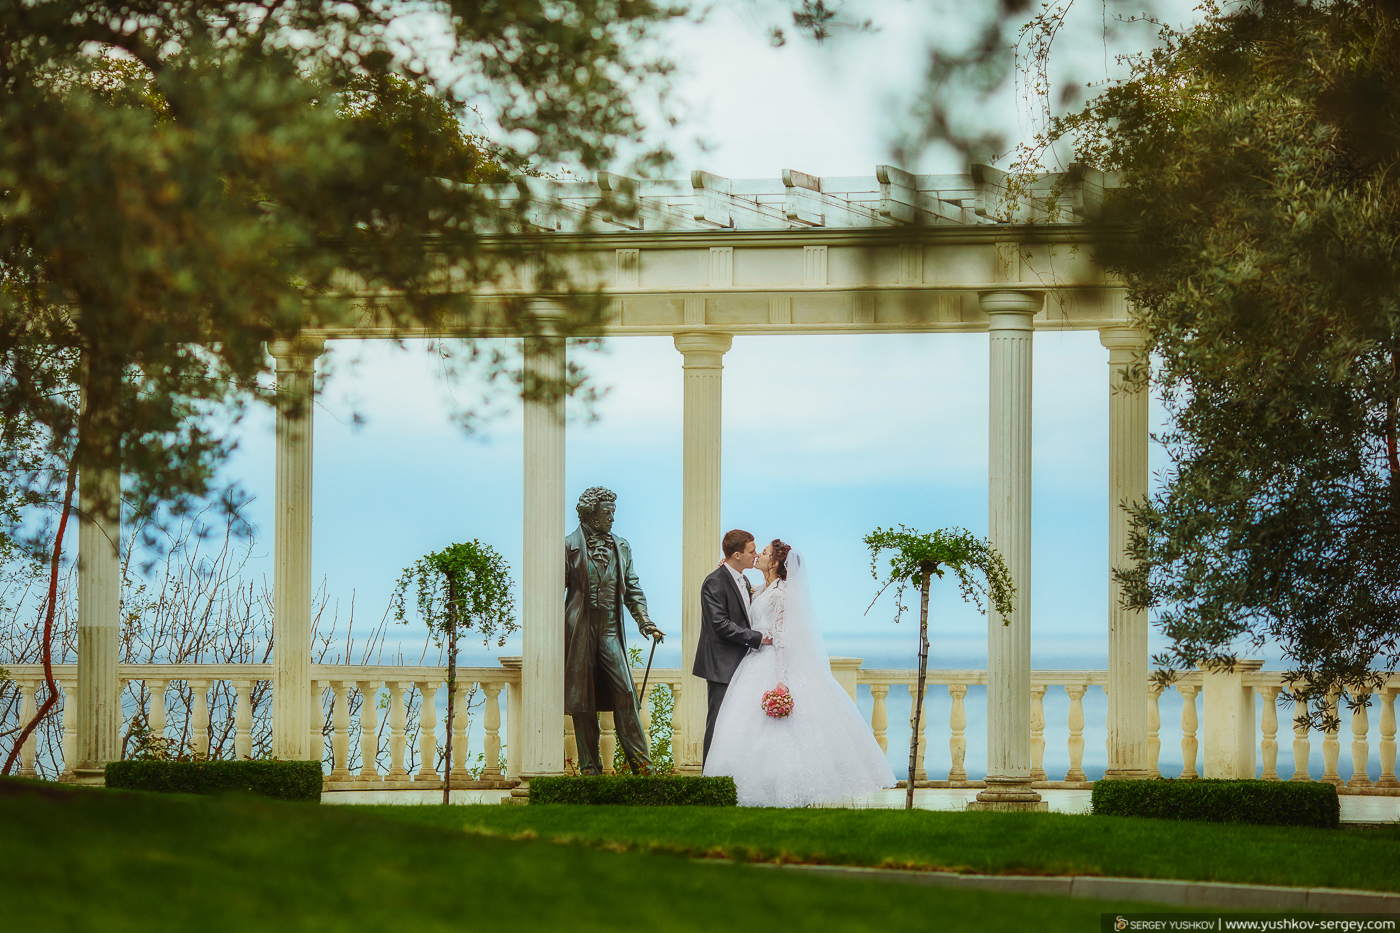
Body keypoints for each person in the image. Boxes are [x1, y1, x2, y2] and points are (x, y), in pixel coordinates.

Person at [703, 540, 897, 807]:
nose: (759, 555)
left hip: (771, 662)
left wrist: (782, 679)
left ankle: (781, 789)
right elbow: (743, 595)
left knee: (777, 733)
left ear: (775, 563)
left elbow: (783, 639)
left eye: (765, 553)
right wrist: (726, 569)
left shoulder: (781, 594)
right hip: (753, 661)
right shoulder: (760, 588)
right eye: (756, 551)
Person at [564, 486, 663, 774]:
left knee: (625, 693)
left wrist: (644, 620)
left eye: (612, 513)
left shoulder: (621, 546)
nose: (612, 519)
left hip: (609, 629)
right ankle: (589, 768)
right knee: (583, 701)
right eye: (607, 513)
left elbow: (632, 588)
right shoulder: (568, 546)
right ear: (592, 515)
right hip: (579, 630)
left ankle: (642, 766)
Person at [692, 529, 772, 765]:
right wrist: (758, 638)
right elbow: (721, 625)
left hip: (743, 664)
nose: (755, 555)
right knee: (717, 723)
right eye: (751, 551)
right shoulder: (714, 582)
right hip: (722, 666)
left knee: (737, 726)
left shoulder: (744, 579)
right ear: (737, 555)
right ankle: (709, 779)